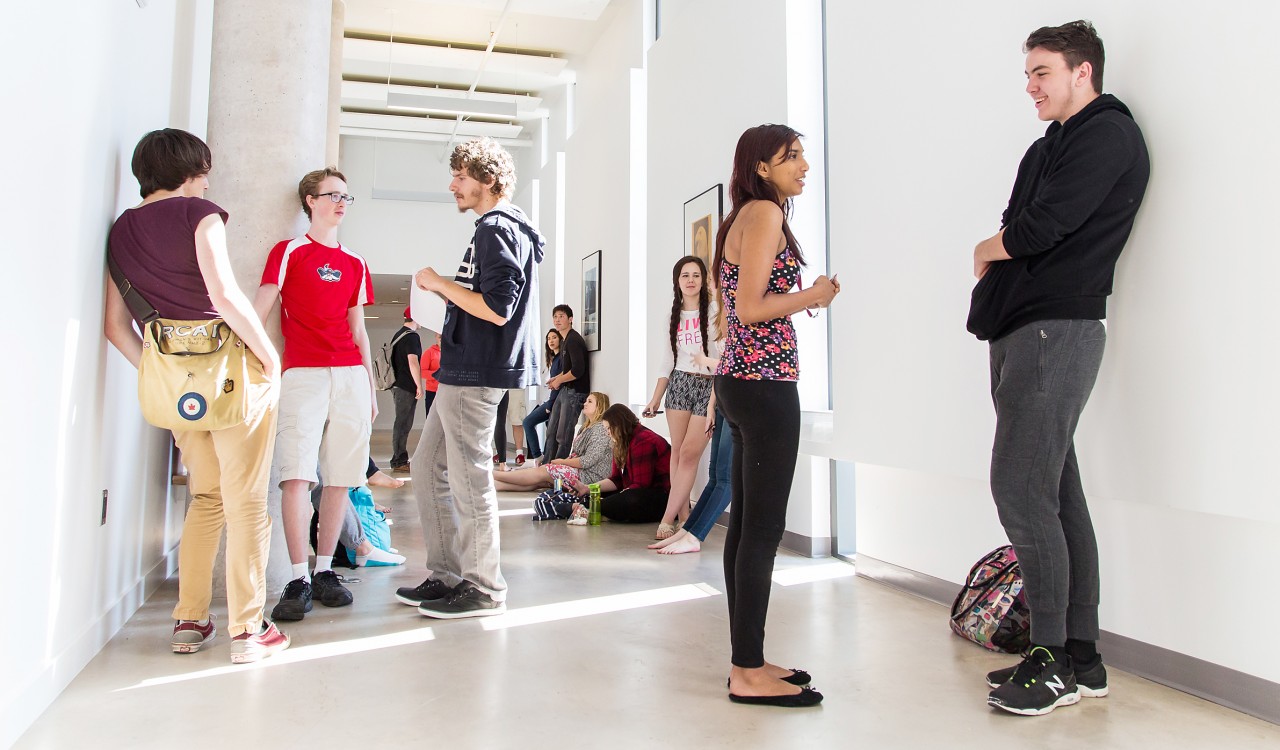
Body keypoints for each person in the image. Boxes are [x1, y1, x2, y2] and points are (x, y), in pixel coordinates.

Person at [970, 20, 1149, 717]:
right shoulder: (1050, 145)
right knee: (1055, 492)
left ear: (1083, 71)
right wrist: (1004, 245)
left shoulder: (1108, 134)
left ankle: (1049, 660)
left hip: (1056, 329)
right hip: (1025, 328)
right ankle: (1081, 656)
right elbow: (1028, 215)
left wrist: (989, 248)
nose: (1031, 85)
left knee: (1017, 485)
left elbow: (1040, 226)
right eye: (1028, 73)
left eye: (1042, 72)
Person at [103, 128, 289, 664]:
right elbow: (224, 294)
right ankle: (249, 631)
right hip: (233, 376)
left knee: (204, 498)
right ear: (190, 170)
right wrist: (268, 356)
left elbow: (117, 327)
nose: (208, 180)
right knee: (247, 500)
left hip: (179, 390)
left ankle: (190, 620)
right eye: (204, 170)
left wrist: (162, 372)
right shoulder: (199, 213)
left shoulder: (121, 231)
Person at [713, 123, 838, 707]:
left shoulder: (750, 215)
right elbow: (752, 306)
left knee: (745, 528)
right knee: (761, 529)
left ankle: (749, 661)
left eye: (802, 156)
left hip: (742, 381)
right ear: (761, 167)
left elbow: (740, 308)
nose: (804, 166)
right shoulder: (762, 214)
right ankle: (746, 672)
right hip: (763, 386)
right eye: (791, 157)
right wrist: (813, 296)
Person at [396, 137, 544, 619]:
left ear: (488, 180)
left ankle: (484, 587)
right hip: (466, 367)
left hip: (476, 372)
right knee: (426, 467)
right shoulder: (497, 227)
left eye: (461, 176)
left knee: (470, 478)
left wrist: (440, 284)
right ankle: (447, 574)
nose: (452, 184)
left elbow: (498, 309)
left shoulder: (496, 229)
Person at [255, 166, 377, 622]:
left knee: (341, 476)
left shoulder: (356, 263)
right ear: (310, 201)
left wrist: (368, 385)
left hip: (349, 375)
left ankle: (326, 570)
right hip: (302, 374)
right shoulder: (288, 253)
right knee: (296, 475)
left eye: (346, 196)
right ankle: (297, 577)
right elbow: (260, 311)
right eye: (332, 195)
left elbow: (358, 329)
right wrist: (259, 366)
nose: (341, 203)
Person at [642, 256, 719, 540]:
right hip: (679, 384)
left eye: (696, 275)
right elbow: (667, 362)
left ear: (703, 280)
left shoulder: (713, 311)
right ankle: (684, 515)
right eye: (685, 275)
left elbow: (722, 358)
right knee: (677, 452)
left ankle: (667, 518)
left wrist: (706, 362)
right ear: (677, 281)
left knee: (689, 453)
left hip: (708, 386)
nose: (690, 280)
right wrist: (654, 399)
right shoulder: (672, 316)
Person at [649, 404, 731, 555]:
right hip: (723, 399)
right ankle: (688, 530)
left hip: (740, 398)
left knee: (725, 479)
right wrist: (712, 406)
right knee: (714, 477)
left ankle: (694, 537)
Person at [492, 392, 612, 492]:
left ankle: (494, 475)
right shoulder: (586, 427)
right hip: (582, 471)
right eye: (586, 401)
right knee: (542, 480)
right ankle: (497, 484)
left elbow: (588, 461)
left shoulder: (599, 429)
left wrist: (563, 462)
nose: (585, 403)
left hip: (589, 476)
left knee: (544, 471)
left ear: (599, 407)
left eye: (590, 402)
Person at [572, 405, 670, 523]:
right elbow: (616, 480)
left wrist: (616, 499)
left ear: (619, 425)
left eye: (609, 429)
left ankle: (586, 507)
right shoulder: (620, 442)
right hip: (636, 491)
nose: (607, 433)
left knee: (630, 499)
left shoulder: (643, 440)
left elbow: (640, 485)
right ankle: (593, 507)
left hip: (661, 497)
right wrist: (587, 488)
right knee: (601, 494)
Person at [540, 304, 590, 461]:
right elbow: (568, 368)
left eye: (561, 316)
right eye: (555, 316)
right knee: (551, 430)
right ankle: (547, 467)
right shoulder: (565, 340)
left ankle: (556, 472)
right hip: (565, 390)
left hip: (575, 392)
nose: (557, 319)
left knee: (563, 435)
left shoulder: (573, 340)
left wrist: (559, 380)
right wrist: (556, 379)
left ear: (570, 319)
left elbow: (577, 370)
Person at [388, 307, 423, 472]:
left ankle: (399, 458)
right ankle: (398, 460)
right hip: (405, 386)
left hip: (398, 385)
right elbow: (413, 361)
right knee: (403, 423)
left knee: (402, 423)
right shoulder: (411, 337)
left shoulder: (399, 334)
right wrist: (419, 385)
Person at [522, 328, 564, 461]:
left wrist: (550, 405)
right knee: (548, 431)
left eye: (554, 337)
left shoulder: (561, 359)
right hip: (548, 401)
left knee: (528, 422)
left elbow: (558, 385)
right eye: (549, 338)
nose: (551, 341)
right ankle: (543, 459)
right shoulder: (553, 360)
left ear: (560, 339)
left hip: (554, 401)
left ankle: (539, 457)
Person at [420, 330, 441, 419]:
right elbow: (422, 372)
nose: (442, 339)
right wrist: (437, 374)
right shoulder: (429, 352)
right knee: (431, 419)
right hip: (432, 391)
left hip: (448, 390)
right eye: (440, 337)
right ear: (436, 337)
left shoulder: (453, 353)